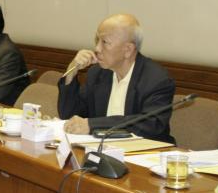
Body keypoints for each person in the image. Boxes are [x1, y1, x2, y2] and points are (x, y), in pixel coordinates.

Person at [58, 13, 175, 143]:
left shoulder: (156, 79)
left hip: (147, 151)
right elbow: (68, 115)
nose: (97, 48)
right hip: (102, 149)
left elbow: (150, 124)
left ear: (128, 50)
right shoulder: (98, 73)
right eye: (97, 40)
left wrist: (92, 125)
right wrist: (72, 70)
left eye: (104, 42)